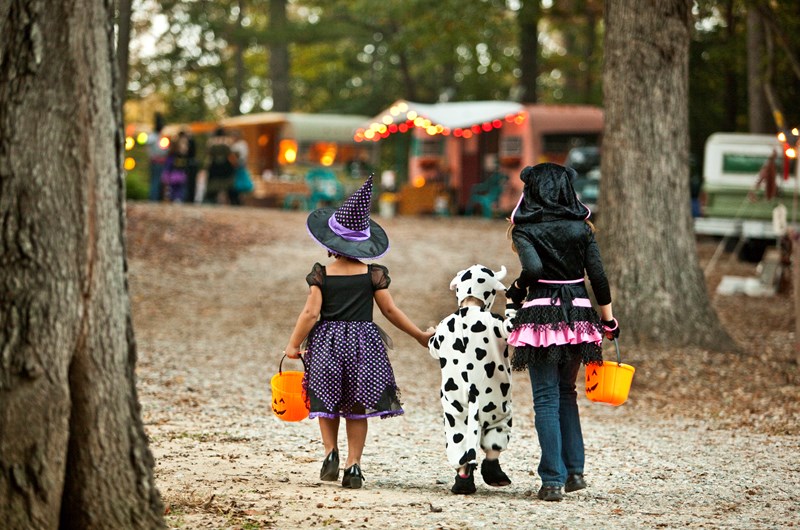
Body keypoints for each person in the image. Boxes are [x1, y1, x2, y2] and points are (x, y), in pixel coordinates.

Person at [283, 175, 433, 490]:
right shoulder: (372, 275)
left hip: (326, 343)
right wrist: (419, 335)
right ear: (363, 242)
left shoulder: (321, 275)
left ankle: (329, 453)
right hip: (364, 345)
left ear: (330, 243)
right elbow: (390, 311)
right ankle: (353, 465)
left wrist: (293, 344)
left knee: (325, 399)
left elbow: (311, 313)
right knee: (356, 405)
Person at [505, 162, 619, 502]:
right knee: (567, 393)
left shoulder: (525, 230)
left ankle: (552, 480)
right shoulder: (581, 229)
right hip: (580, 315)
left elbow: (534, 269)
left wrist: (517, 287)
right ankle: (575, 472)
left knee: (546, 398)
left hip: (542, 314)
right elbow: (597, 276)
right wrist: (609, 321)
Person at [428, 264, 520, 495]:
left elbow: (435, 349)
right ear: (489, 293)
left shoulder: (446, 324)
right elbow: (514, 331)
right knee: (498, 419)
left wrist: (433, 335)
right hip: (493, 388)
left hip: (456, 390)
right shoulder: (495, 322)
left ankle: (463, 473)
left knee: (457, 424)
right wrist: (511, 307)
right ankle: (491, 459)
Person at [200, 127, 236, 204]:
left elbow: (208, 154)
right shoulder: (228, 141)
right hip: (225, 166)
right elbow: (231, 153)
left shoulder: (211, 142)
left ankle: (211, 201)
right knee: (228, 186)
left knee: (213, 186)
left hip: (214, 166)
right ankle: (233, 201)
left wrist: (206, 166)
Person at [161, 131, 191, 203]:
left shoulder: (184, 157)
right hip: (173, 175)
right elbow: (168, 165)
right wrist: (167, 175)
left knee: (180, 189)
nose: (185, 147)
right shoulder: (173, 156)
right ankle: (173, 198)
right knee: (173, 189)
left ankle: (178, 199)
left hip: (181, 175)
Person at [146, 113, 169, 202]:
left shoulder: (158, 137)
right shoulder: (154, 137)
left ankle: (155, 198)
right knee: (155, 181)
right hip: (156, 161)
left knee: (156, 181)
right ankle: (153, 199)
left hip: (158, 161)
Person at [229, 129, 253, 205]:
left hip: (239, 165)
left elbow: (243, 156)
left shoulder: (242, 144)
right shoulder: (233, 145)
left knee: (239, 184)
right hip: (234, 166)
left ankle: (239, 201)